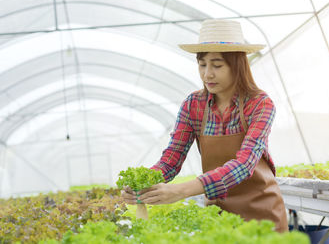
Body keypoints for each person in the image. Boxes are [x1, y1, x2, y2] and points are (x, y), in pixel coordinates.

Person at [121, 19, 288, 233]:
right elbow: (172, 158)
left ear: (237, 66)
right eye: (202, 64)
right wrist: (143, 184)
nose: (207, 74)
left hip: (262, 216)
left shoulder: (259, 104)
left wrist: (181, 191)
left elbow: (245, 164)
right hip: (218, 216)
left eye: (217, 65)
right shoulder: (194, 105)